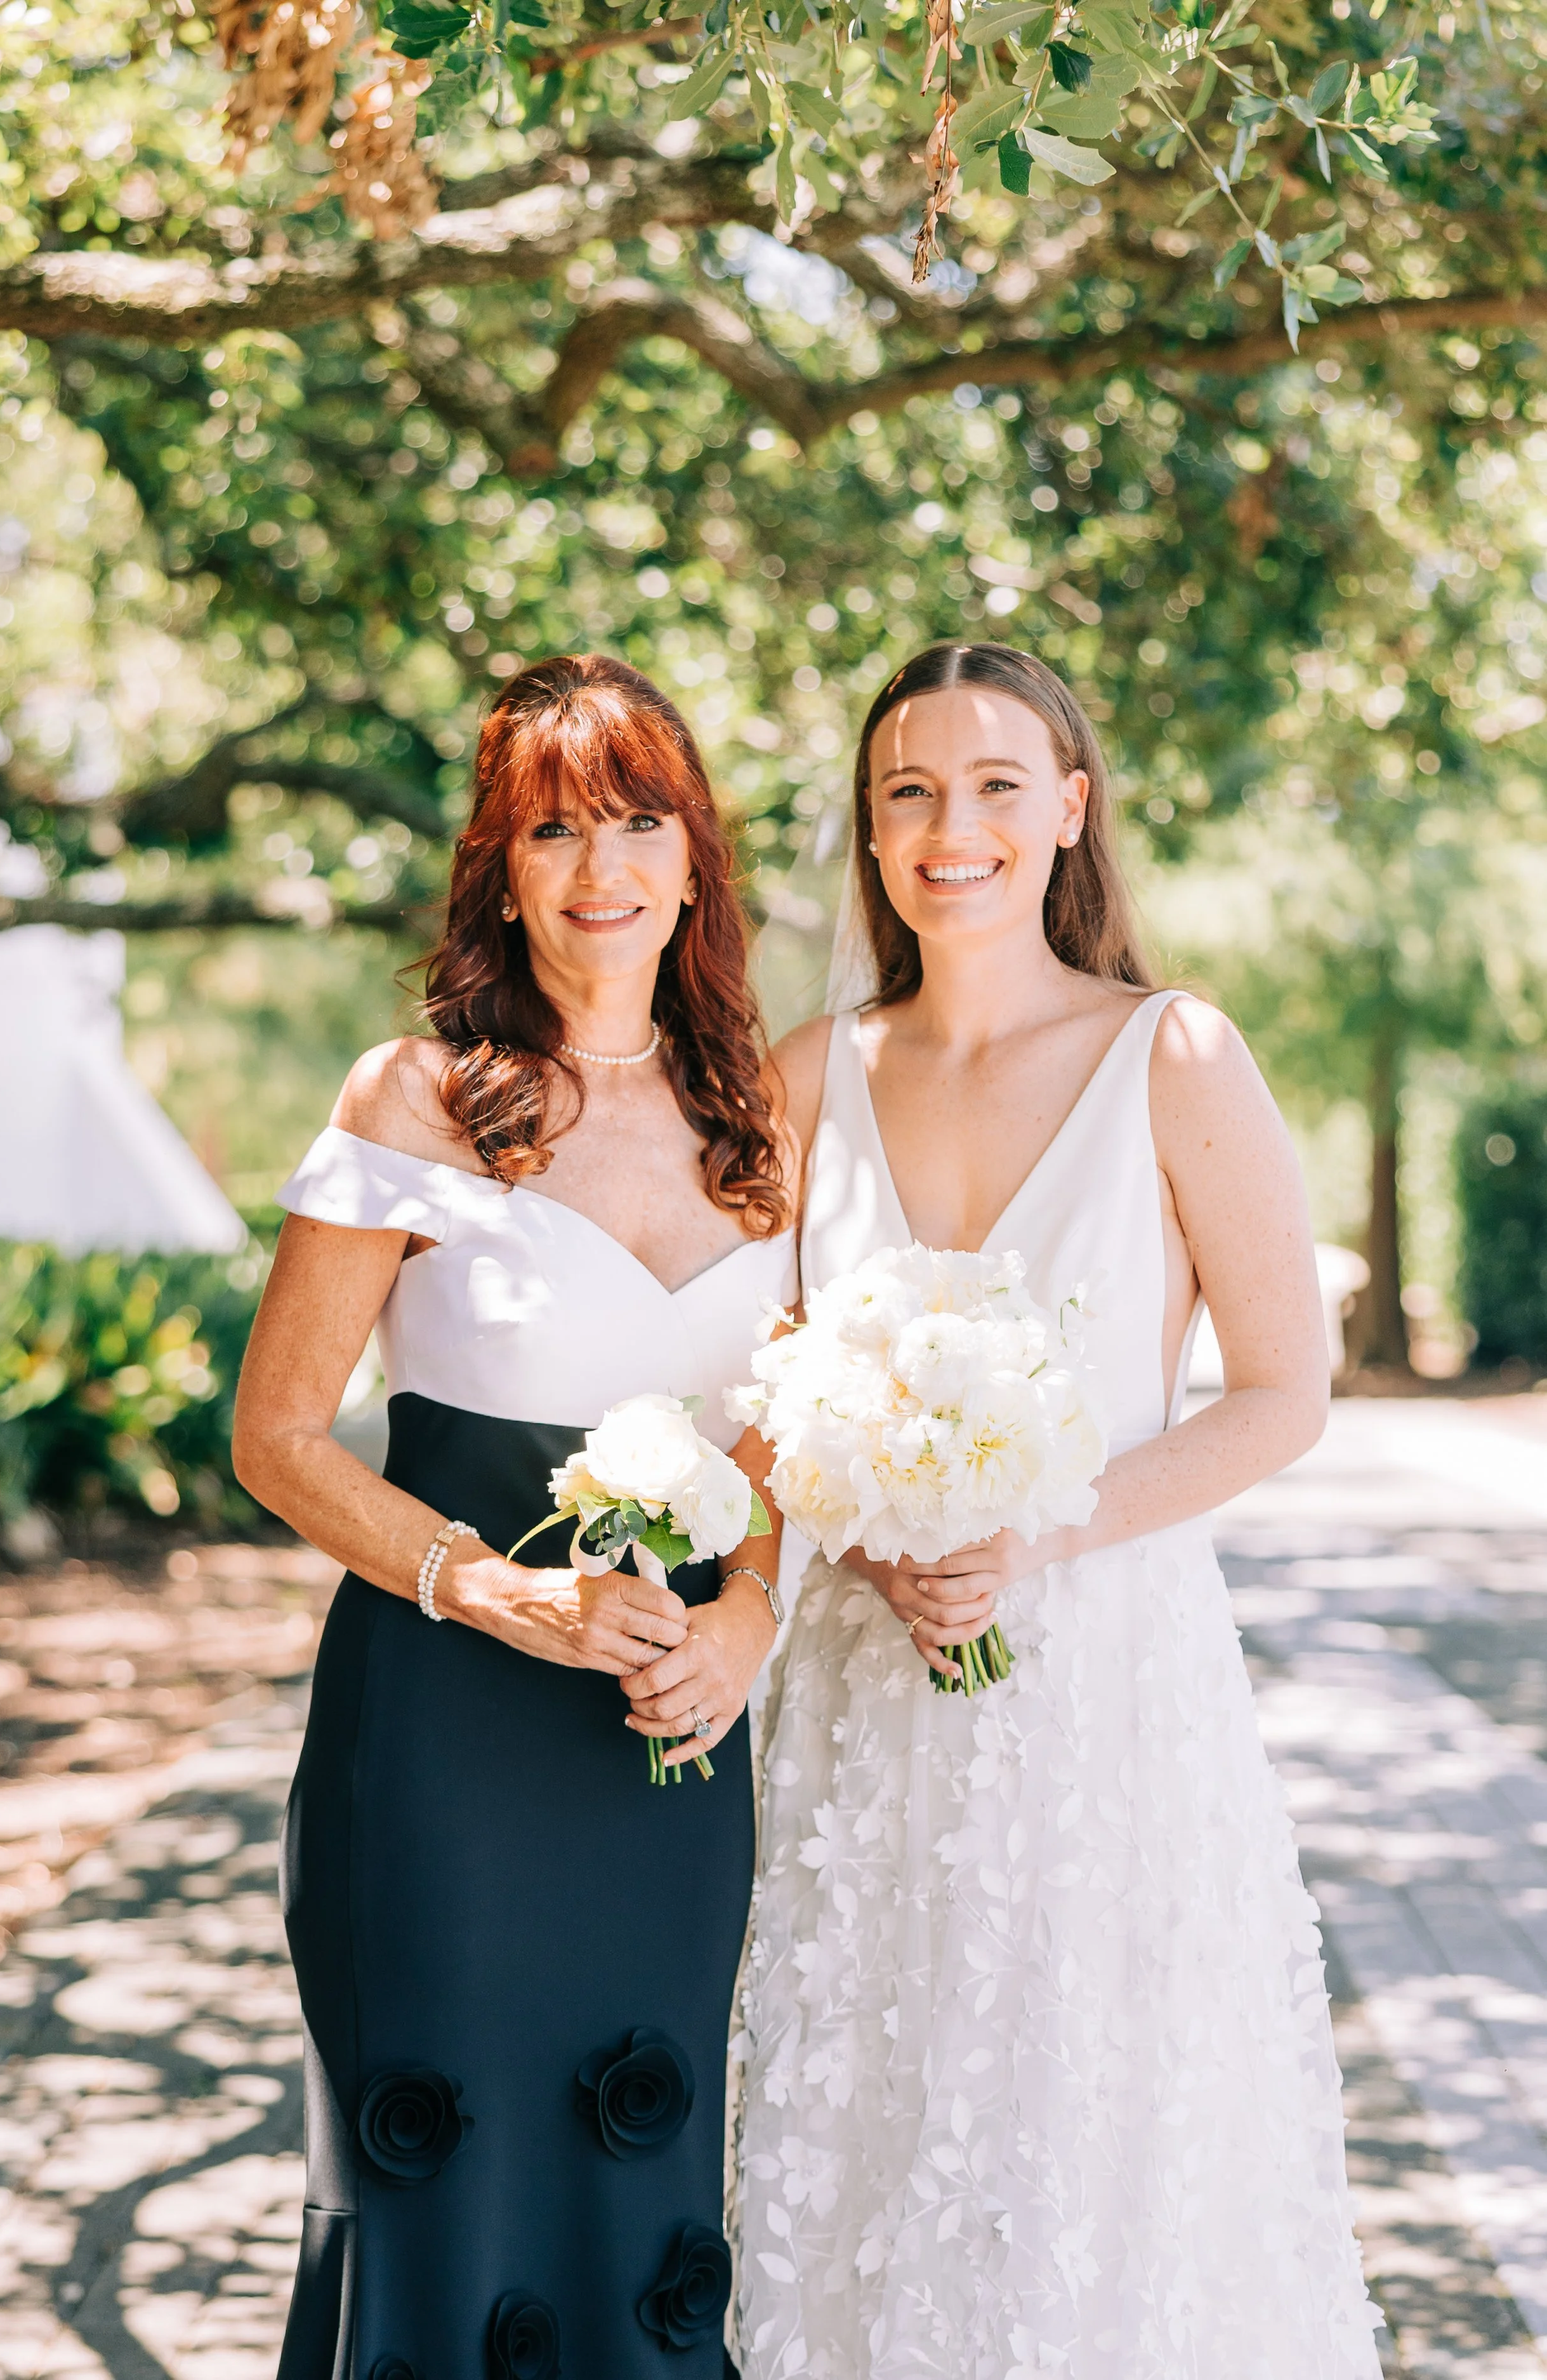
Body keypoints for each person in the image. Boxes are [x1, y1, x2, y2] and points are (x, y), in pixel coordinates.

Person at [735, 642, 1380, 2379]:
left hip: (1106, 1694)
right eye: (910, 792)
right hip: (867, 1703)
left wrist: (1037, 1531)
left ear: (1071, 808)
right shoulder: (808, 1077)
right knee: (870, 2133)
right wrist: (863, 1529)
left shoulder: (1174, 1052)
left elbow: (1281, 1390)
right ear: (872, 834)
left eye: (996, 784)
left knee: (1102, 2145)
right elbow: (759, 1397)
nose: (952, 826)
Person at [234, 655, 794, 2380]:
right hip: (439, 1738)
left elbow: (788, 1434)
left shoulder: (769, 1118)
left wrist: (748, 1615)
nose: (599, 867)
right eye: (554, 830)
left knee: (643, 2201)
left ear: (694, 861)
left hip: (669, 1754)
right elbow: (276, 1435)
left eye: (637, 824)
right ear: (501, 865)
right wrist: (493, 1593)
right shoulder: (410, 1097)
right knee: (444, 2194)